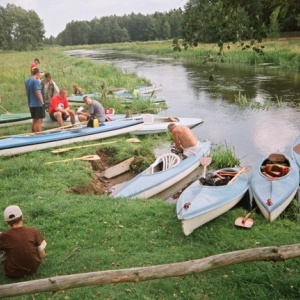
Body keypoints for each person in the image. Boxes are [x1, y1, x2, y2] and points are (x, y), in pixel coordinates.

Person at [0, 205, 47, 278]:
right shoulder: (33, 230)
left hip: (12, 272)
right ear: (22, 217)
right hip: (33, 268)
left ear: (6, 222)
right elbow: (42, 255)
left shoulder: (5, 236)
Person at [25, 68, 45, 133]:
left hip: (31, 103)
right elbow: (37, 92)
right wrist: (42, 102)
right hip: (37, 103)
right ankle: (39, 135)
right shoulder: (35, 81)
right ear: (38, 73)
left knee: (34, 120)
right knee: (39, 121)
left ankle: (33, 134)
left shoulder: (27, 81)